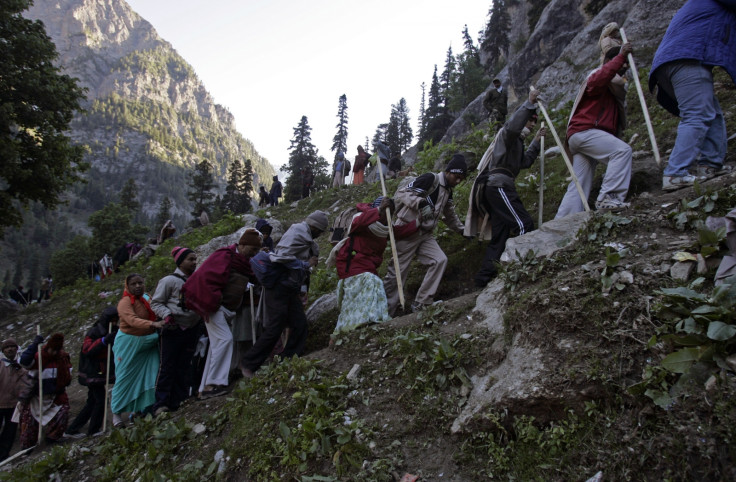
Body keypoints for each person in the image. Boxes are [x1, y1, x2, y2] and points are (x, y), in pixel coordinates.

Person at [649, 0, 736, 191]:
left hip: (672, 61)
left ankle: (710, 166)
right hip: (687, 59)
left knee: (710, 112)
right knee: (697, 114)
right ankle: (675, 173)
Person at [467, 90, 547, 288]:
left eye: (535, 122)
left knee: (500, 236)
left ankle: (482, 279)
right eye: (530, 120)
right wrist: (529, 104)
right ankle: (522, 268)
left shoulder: (518, 143)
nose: (532, 124)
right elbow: (512, 126)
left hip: (499, 187)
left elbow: (525, 162)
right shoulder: (507, 135)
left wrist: (536, 142)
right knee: (523, 224)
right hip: (498, 186)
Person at [239, 211, 327, 378]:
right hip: (279, 286)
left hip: (289, 288)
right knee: (275, 326)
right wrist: (305, 264)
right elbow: (280, 257)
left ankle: (288, 359)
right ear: (315, 227)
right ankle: (249, 363)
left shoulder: (304, 235)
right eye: (320, 231)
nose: (320, 235)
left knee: (300, 324)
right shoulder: (298, 234)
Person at [555, 38, 634, 218]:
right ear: (611, 63)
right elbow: (599, 78)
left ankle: (564, 220)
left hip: (580, 135)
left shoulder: (613, 89)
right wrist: (621, 57)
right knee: (622, 152)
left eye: (625, 67)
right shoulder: (599, 76)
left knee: (579, 182)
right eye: (621, 67)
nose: (623, 71)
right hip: (586, 131)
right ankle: (609, 197)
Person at [182, 230, 261, 399]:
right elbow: (209, 278)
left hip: (225, 309)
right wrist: (214, 301)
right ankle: (214, 384)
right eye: (252, 249)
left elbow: (251, 277)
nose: (254, 253)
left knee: (216, 345)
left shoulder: (242, 262)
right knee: (225, 340)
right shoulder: (225, 256)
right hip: (213, 307)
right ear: (242, 245)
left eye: (257, 250)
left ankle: (204, 387)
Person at [384, 155, 467, 315]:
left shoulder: (448, 191)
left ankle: (422, 303)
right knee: (397, 273)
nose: (458, 181)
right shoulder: (431, 179)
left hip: (425, 234)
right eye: (457, 177)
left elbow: (449, 215)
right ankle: (386, 311)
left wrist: (462, 230)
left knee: (439, 260)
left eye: (461, 179)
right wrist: (421, 203)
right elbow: (402, 193)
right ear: (449, 171)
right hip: (407, 229)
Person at [331, 198, 417, 334]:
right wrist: (379, 210)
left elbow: (399, 232)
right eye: (384, 212)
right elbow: (357, 223)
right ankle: (359, 324)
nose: (384, 217)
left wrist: (418, 223)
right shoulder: (360, 219)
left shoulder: (384, 228)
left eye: (389, 213)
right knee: (371, 285)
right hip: (351, 263)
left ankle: (366, 323)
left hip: (368, 267)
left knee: (371, 291)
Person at [150, 247, 202, 415]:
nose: (194, 262)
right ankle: (161, 403)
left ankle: (179, 399)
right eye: (190, 259)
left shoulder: (196, 279)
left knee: (184, 365)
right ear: (180, 261)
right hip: (173, 329)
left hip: (191, 328)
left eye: (195, 259)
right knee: (167, 366)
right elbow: (156, 303)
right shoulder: (169, 281)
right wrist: (167, 315)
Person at [112, 274, 164, 427]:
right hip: (129, 343)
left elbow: (158, 309)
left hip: (149, 341)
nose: (137, 286)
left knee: (150, 374)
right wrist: (153, 324)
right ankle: (116, 414)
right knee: (124, 377)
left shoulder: (147, 298)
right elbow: (131, 320)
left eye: (140, 283)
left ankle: (140, 410)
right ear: (127, 286)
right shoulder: (125, 302)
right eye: (133, 284)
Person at [65, 307, 118, 437]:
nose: (115, 323)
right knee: (100, 400)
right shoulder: (94, 332)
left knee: (92, 401)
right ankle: (93, 429)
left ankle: (72, 429)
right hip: (92, 371)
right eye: (113, 320)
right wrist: (104, 341)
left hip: (100, 371)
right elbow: (87, 350)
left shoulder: (114, 330)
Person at [18, 333, 72, 448]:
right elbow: (24, 361)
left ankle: (52, 438)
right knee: (29, 423)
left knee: (63, 412)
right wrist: (34, 345)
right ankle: (28, 447)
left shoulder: (62, 359)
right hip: (35, 396)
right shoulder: (39, 357)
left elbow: (66, 377)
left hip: (54, 395)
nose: (54, 353)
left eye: (57, 350)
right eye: (52, 349)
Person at [0, 339, 27, 461]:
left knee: (10, 432)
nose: (10, 349)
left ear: (16, 350)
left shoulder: (20, 367)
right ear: (3, 351)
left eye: (13, 347)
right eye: (7, 347)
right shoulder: (0, 365)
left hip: (14, 406)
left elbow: (26, 383)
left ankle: (3, 455)